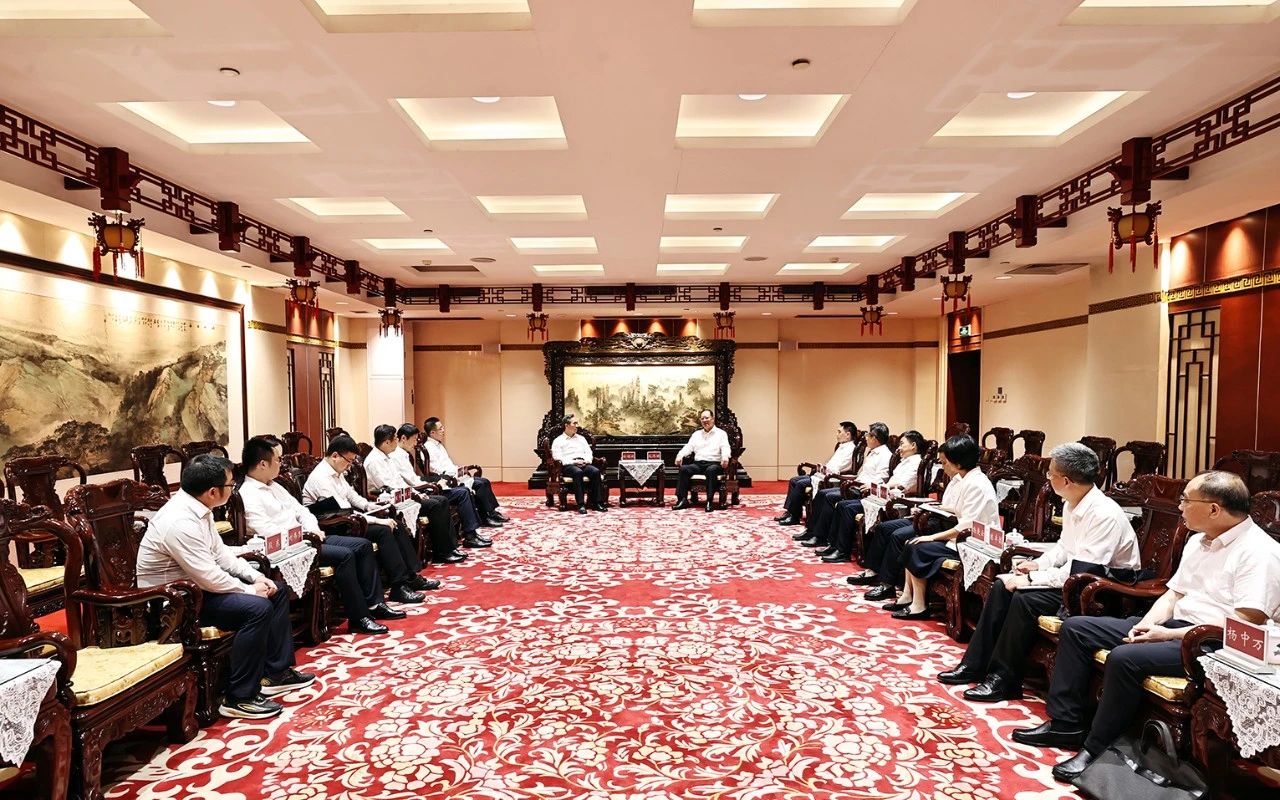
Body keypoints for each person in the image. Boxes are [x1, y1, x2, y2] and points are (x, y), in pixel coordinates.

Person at [1012, 471, 1280, 782]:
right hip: (1175, 627)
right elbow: (1173, 594)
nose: (1180, 507)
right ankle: (1066, 723)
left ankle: (1096, 749)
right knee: (1077, 628)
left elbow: (1245, 622)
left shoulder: (1258, 551)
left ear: (1213, 509)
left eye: (1186, 501)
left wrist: (1167, 634)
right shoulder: (1198, 541)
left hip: (1213, 643)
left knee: (1124, 658)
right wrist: (1147, 624)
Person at [937, 442, 1141, 702]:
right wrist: (1038, 565)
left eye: (1050, 474)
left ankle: (1003, 679)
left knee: (1024, 599)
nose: (1048, 478)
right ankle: (975, 664)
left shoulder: (1103, 514)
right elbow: (1064, 548)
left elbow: (1083, 571)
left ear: (1066, 481)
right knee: (1001, 586)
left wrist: (1031, 579)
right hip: (1078, 580)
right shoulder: (1073, 502)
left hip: (1103, 590)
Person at [137, 454, 314, 719]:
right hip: (173, 602)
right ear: (212, 491)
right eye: (231, 485)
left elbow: (221, 556)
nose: (233, 489)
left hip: (197, 590)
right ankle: (239, 697)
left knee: (275, 591)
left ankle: (275, 673)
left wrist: (255, 578)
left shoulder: (199, 509)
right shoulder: (179, 521)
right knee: (257, 608)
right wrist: (249, 590)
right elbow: (207, 575)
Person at [241, 436, 418, 637]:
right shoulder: (248, 493)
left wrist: (311, 529)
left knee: (362, 546)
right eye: (277, 460)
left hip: (307, 538)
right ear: (263, 464)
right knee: (345, 555)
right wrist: (303, 535)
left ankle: (375, 604)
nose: (281, 464)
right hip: (287, 549)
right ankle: (358, 618)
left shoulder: (275, 486)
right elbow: (265, 530)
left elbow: (302, 511)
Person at [301, 434, 428, 603]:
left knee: (395, 525)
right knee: (384, 530)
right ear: (335, 455)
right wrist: (377, 520)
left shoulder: (336, 471)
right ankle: (399, 586)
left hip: (347, 518)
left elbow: (351, 496)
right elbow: (343, 510)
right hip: (333, 525)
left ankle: (410, 577)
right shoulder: (320, 477)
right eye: (348, 461)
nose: (349, 466)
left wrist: (370, 506)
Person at [887, 434, 1000, 620]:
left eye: (945, 462)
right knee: (912, 541)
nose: (943, 466)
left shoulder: (977, 484)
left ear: (958, 463)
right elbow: (957, 509)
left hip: (974, 544)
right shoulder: (966, 479)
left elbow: (966, 526)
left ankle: (919, 605)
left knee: (917, 546)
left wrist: (932, 537)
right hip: (963, 538)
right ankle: (908, 595)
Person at [819, 430, 926, 564]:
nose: (898, 448)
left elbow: (902, 485)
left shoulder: (917, 463)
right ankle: (834, 545)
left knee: (848, 508)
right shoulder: (904, 461)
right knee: (842, 505)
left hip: (897, 500)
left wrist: (877, 486)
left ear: (913, 445)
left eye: (902, 444)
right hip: (884, 496)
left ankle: (842, 551)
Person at [364, 423, 461, 565]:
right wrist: (413, 495)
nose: (397, 441)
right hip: (390, 499)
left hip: (404, 494)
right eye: (395, 439)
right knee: (434, 505)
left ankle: (450, 547)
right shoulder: (374, 461)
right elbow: (388, 486)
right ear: (386, 442)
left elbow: (400, 481)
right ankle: (441, 552)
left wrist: (415, 492)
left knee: (442, 500)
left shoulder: (387, 457)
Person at [395, 422, 489, 552]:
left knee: (465, 490)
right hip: (412, 492)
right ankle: (462, 539)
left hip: (420, 486)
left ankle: (468, 534)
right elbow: (411, 481)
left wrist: (439, 480)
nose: (416, 443)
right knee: (459, 494)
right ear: (403, 438)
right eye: (414, 439)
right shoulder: (395, 456)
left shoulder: (404, 454)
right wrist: (435, 483)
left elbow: (414, 478)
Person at [799, 422, 894, 548]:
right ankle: (812, 531)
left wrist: (867, 485)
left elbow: (882, 477)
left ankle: (820, 536)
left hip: (865, 489)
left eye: (868, 435)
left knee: (829, 497)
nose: (865, 437)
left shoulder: (885, 455)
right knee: (822, 494)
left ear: (875, 438)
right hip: (857, 484)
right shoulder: (872, 452)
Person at [422, 416, 509, 526]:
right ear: (432, 432)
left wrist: (458, 469)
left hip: (454, 474)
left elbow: (448, 464)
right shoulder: (428, 448)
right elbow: (434, 470)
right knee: (480, 484)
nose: (443, 430)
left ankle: (491, 513)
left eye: (443, 427)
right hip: (446, 479)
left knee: (484, 481)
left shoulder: (439, 445)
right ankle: (485, 517)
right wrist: (454, 472)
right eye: (440, 429)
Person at [775, 421, 858, 526]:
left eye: (839, 432)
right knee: (794, 480)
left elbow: (839, 467)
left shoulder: (851, 449)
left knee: (800, 484)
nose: (837, 434)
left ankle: (794, 517)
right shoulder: (842, 446)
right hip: (825, 474)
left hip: (834, 478)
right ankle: (790, 512)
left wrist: (824, 469)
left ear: (848, 434)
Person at [673, 409, 731, 512]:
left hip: (714, 464)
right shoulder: (696, 434)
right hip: (698, 464)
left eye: (707, 418)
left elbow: (725, 447)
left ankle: (709, 501)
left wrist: (725, 458)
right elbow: (688, 447)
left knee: (711, 470)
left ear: (713, 419)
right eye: (702, 418)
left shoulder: (721, 434)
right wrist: (680, 455)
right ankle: (682, 500)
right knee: (684, 469)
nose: (704, 420)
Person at [550, 413, 606, 514]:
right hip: (568, 466)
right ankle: (581, 504)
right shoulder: (558, 441)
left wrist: (586, 461)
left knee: (595, 471)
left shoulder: (581, 439)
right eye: (574, 423)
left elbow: (589, 453)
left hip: (583, 463)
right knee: (578, 472)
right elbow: (557, 458)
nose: (577, 426)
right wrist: (574, 462)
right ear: (566, 425)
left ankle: (597, 503)